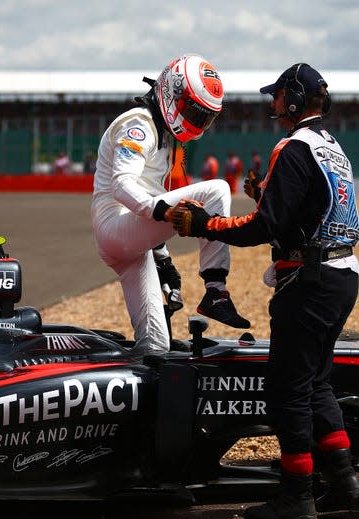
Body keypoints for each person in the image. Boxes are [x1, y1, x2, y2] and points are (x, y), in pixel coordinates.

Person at [171, 63, 359, 519]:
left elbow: (266, 227)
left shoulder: (293, 146)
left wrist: (204, 224)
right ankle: (344, 480)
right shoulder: (332, 148)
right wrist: (267, 195)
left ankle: (297, 497)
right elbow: (310, 208)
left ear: (295, 98)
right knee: (316, 382)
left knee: (287, 391)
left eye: (278, 96)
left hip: (310, 281)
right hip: (342, 274)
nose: (272, 104)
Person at [90, 53, 250, 355]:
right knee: (216, 191)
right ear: (172, 91)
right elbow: (122, 185)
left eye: (205, 116)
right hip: (116, 225)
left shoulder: (161, 131)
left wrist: (163, 260)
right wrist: (166, 212)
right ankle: (215, 291)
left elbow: (146, 194)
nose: (197, 122)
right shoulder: (138, 124)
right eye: (194, 111)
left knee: (156, 346)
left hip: (129, 239)